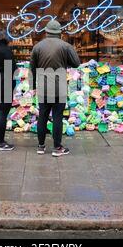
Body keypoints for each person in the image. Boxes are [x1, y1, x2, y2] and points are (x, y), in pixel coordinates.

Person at [30, 20, 81, 157]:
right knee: (57, 117)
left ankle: (41, 146)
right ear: (59, 33)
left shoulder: (37, 47)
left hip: (43, 87)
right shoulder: (66, 46)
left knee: (42, 116)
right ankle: (57, 147)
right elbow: (76, 63)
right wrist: (65, 61)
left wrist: (33, 86)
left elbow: (32, 69)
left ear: (46, 32)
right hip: (60, 88)